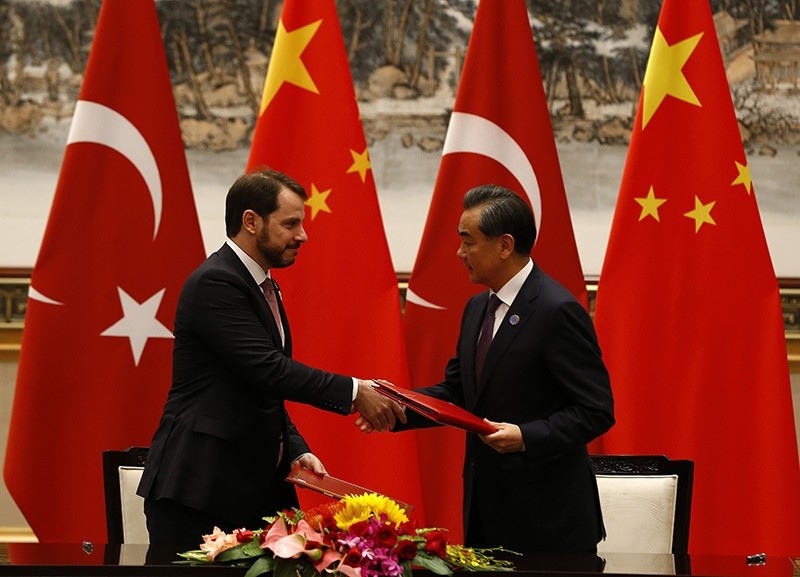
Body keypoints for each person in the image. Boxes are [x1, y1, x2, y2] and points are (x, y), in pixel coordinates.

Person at [137, 168, 406, 548]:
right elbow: (270, 370)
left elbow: (258, 388)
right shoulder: (215, 282)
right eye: (291, 223)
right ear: (251, 221)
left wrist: (295, 447)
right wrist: (355, 391)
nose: (303, 235)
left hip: (251, 489)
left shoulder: (262, 284)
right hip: (200, 490)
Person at [367, 184, 614, 553]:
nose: (459, 252)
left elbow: (596, 410)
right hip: (486, 512)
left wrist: (526, 435)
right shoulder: (476, 309)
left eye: (468, 241)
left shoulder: (556, 310)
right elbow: (458, 392)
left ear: (504, 245)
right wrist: (394, 406)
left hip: (549, 524)